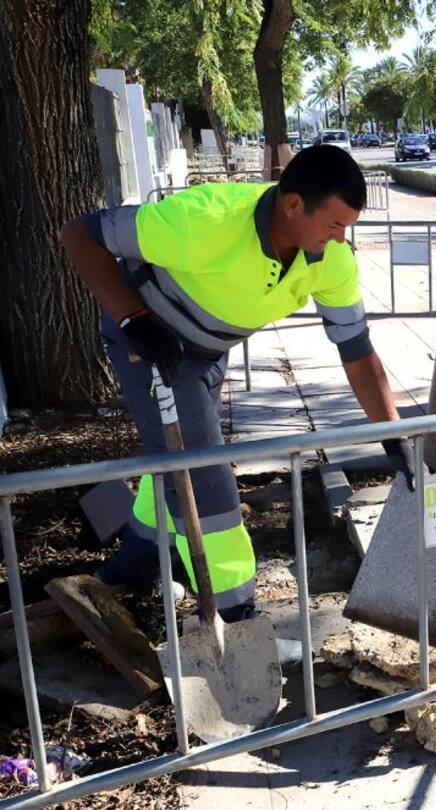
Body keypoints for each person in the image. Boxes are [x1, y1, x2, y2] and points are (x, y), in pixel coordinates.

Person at [60, 144, 417, 623]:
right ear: (293, 205)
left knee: (177, 460)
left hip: (208, 352)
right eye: (333, 225)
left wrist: (392, 433)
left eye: (346, 227)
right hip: (150, 345)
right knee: (206, 481)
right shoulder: (205, 219)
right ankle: (234, 611)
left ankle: (137, 560)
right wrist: (133, 319)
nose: (340, 239)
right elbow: (80, 235)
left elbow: (356, 351)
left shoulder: (328, 260)